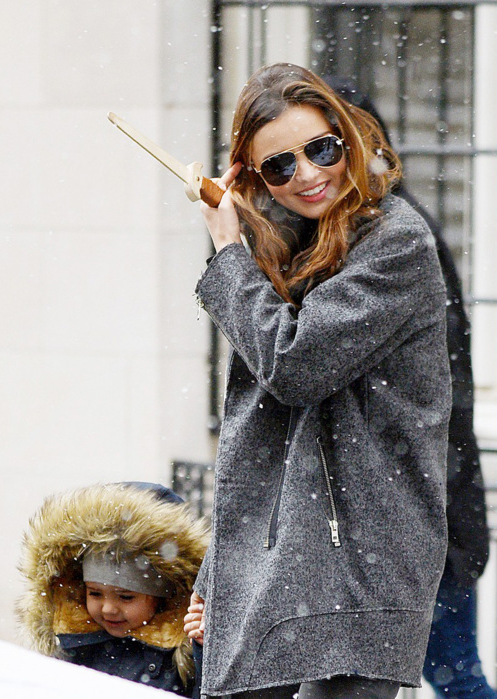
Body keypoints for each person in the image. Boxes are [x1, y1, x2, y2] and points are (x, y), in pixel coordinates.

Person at [186, 62, 452, 699]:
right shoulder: (283, 247)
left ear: (346, 138)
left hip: (365, 559)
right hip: (280, 555)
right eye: (279, 166)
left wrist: (229, 254)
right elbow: (258, 437)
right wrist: (216, 574)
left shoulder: (396, 242)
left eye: (321, 150)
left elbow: (294, 367)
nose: (306, 175)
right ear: (254, 178)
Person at [324, 76, 495, 699]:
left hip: (424, 504)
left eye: (329, 147)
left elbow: (437, 389)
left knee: (454, 678)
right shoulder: (357, 230)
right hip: (411, 504)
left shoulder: (395, 233)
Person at [16, 481, 209, 697]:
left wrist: (202, 650)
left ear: (165, 597)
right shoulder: (70, 644)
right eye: (95, 593)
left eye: (125, 597)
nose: (108, 608)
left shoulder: (184, 657)